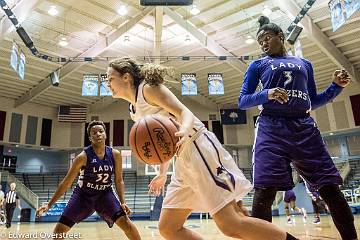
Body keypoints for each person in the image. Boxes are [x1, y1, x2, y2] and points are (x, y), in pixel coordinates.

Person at [106, 58, 299, 240]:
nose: (108, 83)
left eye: (110, 78)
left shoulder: (148, 89)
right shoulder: (133, 110)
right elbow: (163, 144)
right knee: (168, 227)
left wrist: (183, 127)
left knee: (231, 224)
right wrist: (163, 173)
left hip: (197, 146)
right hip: (181, 159)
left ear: (126, 77)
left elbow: (184, 112)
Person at [238, 15, 357, 240]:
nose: (263, 43)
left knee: (330, 189)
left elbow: (311, 100)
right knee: (264, 192)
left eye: (267, 38)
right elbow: (243, 100)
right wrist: (267, 93)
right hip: (271, 128)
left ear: (280, 37)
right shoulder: (257, 64)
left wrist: (335, 87)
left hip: (304, 129)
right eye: (260, 40)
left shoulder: (304, 64)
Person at [36, 121, 141, 240]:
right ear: (90, 138)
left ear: (105, 134)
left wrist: (123, 202)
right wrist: (49, 204)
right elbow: (66, 183)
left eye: (101, 131)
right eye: (94, 133)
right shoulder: (82, 157)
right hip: (83, 195)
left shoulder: (115, 154)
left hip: (105, 194)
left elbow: (119, 180)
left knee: (127, 224)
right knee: (59, 231)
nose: (98, 134)